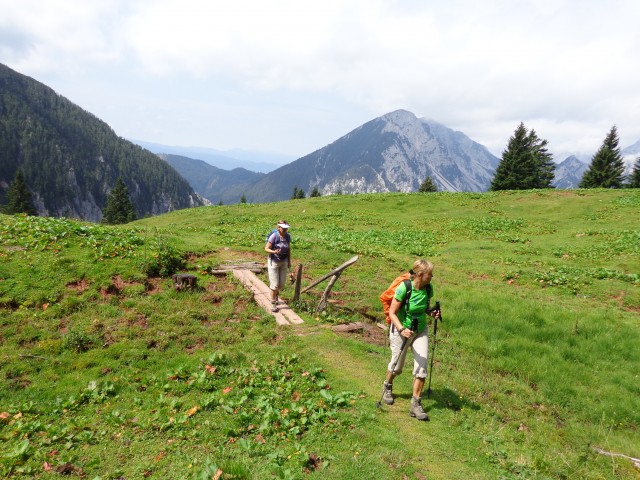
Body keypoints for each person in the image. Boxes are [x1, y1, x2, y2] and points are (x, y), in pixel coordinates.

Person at [381, 259, 440, 421]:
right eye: (430, 274)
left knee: (421, 368)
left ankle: (415, 404)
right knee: (397, 367)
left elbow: (424, 308)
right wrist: (402, 329)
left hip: (420, 330)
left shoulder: (428, 288)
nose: (432, 277)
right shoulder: (404, 288)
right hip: (401, 329)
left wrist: (432, 313)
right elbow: (392, 312)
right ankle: (387, 386)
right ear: (420, 275)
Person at [264, 220, 292, 312]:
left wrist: (289, 262)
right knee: (275, 285)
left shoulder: (287, 237)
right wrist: (274, 251)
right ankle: (273, 303)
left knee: (281, 284)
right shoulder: (274, 236)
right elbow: (266, 248)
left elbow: (289, 249)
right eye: (283, 228)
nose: (284, 230)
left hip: (284, 262)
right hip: (274, 262)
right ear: (278, 228)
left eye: (286, 228)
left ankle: (275, 295)